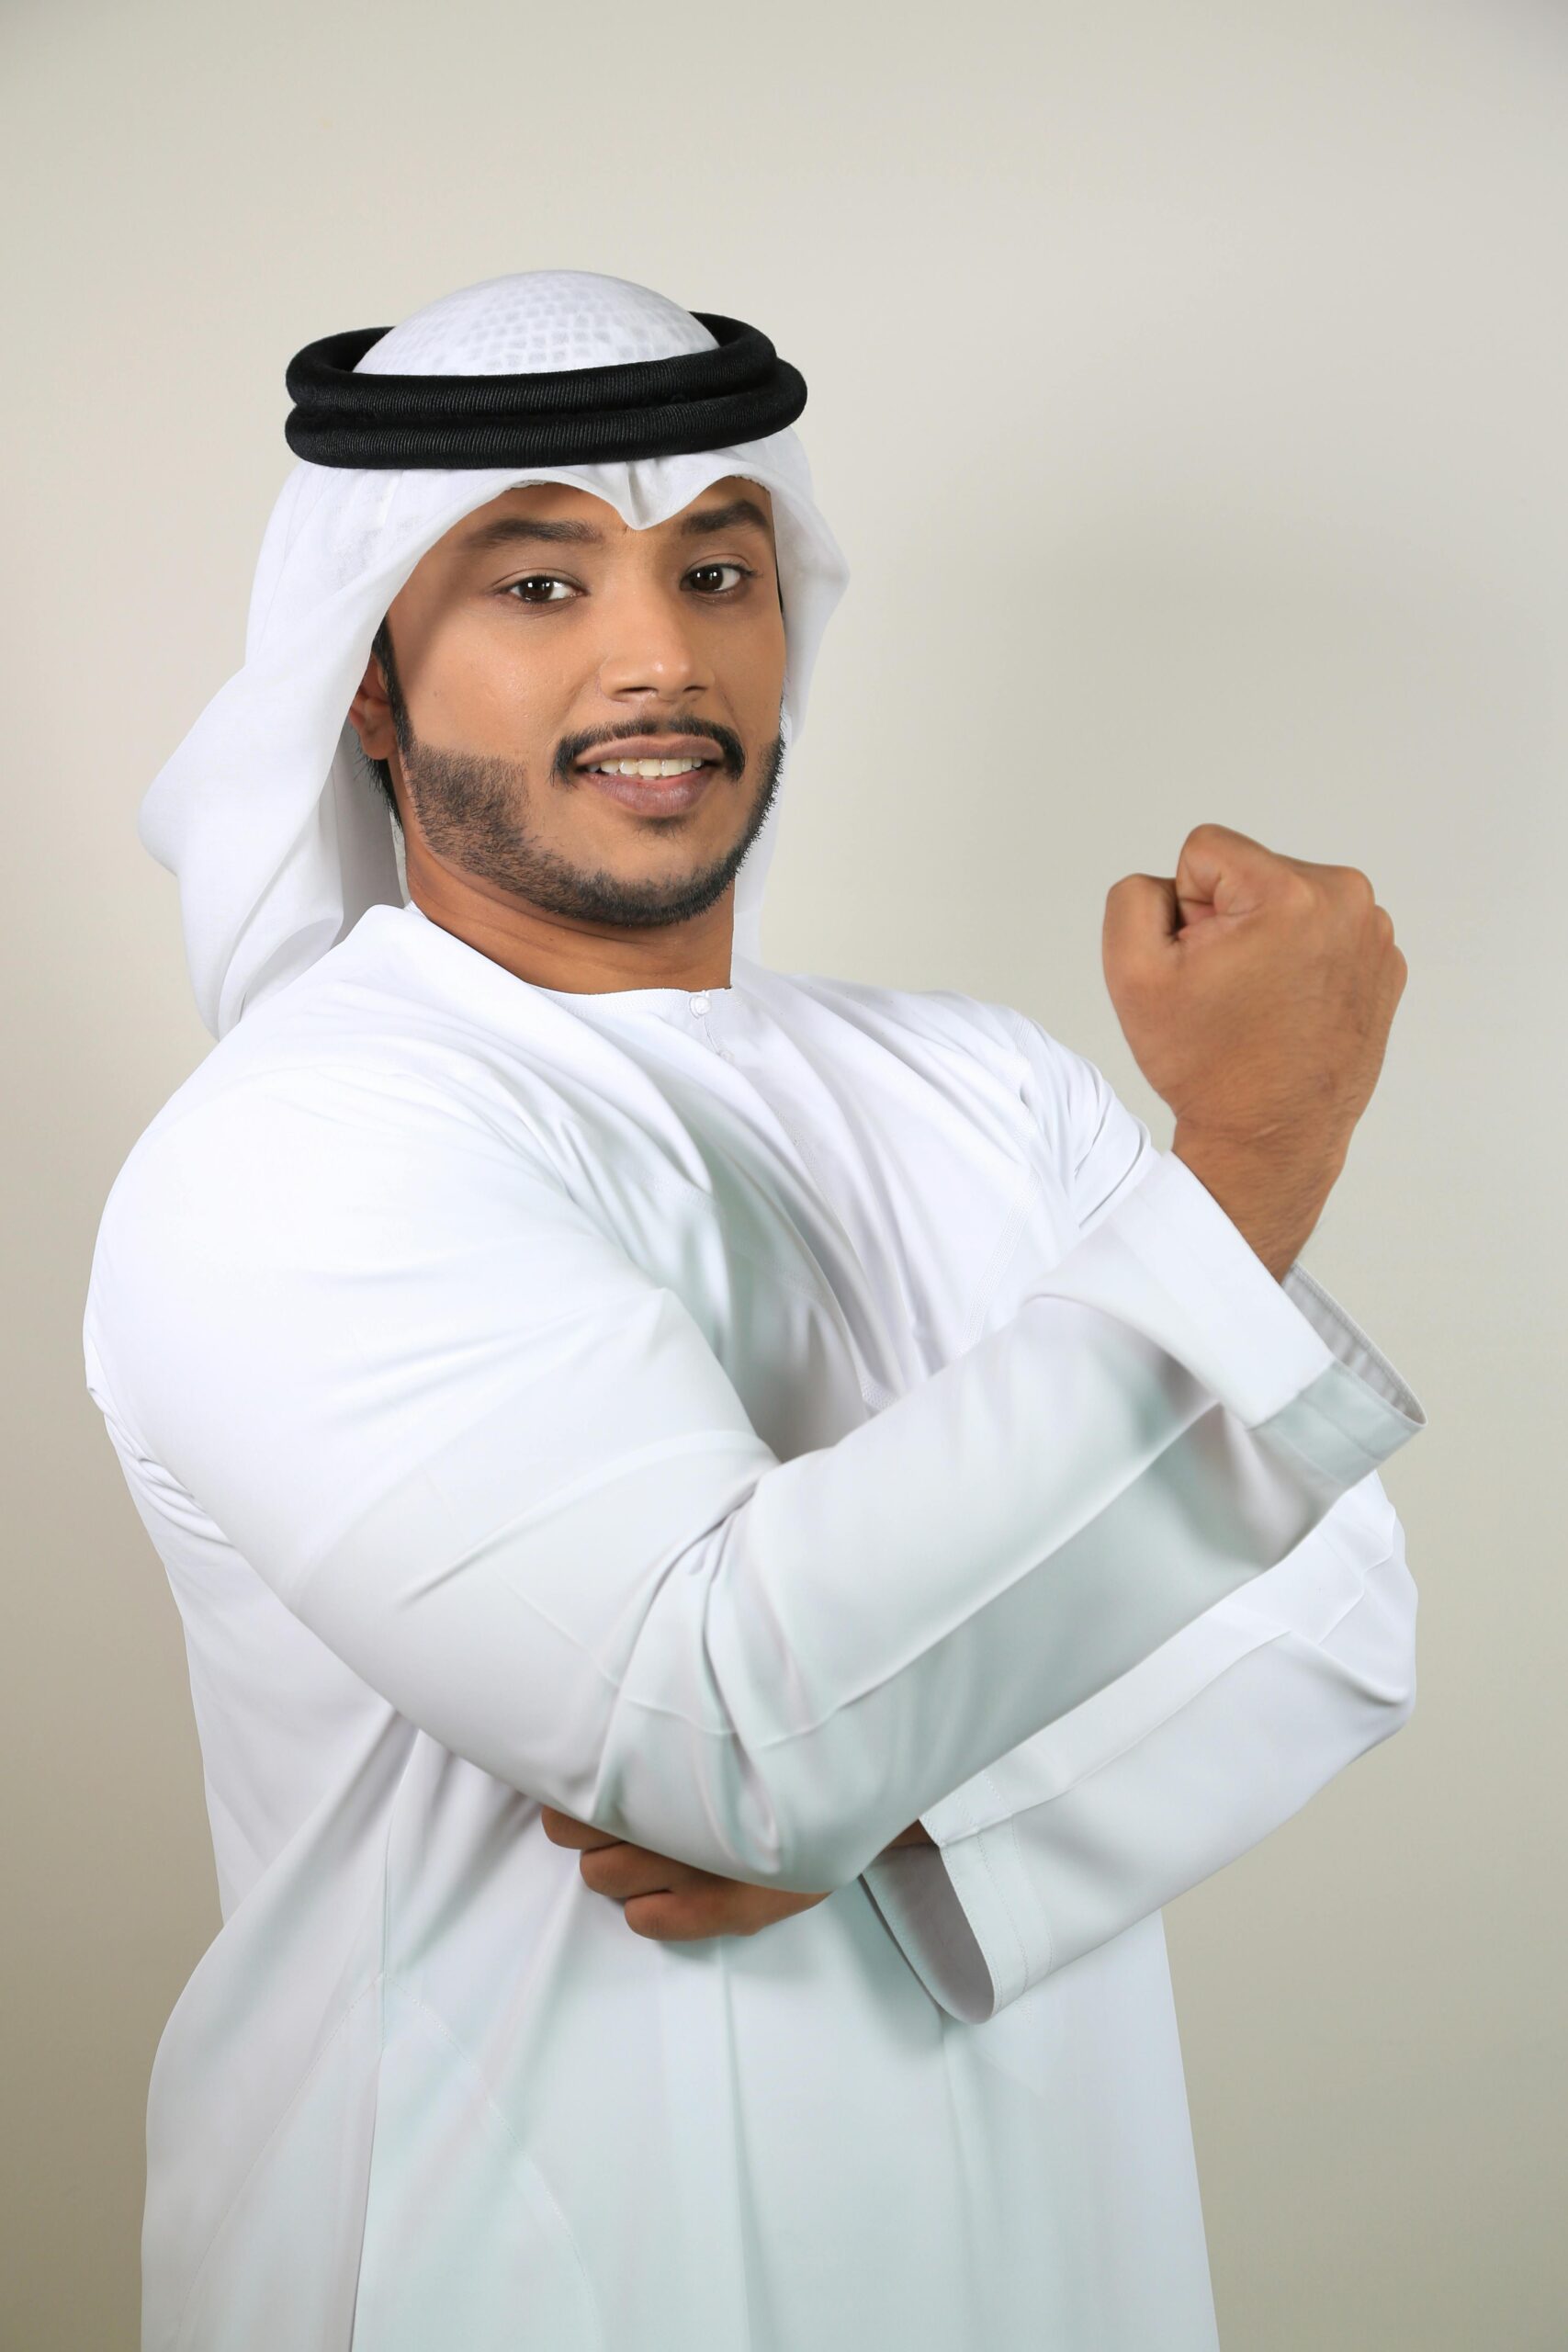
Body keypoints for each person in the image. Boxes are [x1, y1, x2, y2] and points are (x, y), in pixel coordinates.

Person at [83, 268, 1425, 2352]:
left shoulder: (984, 1083)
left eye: (718, 563)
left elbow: (1334, 1612)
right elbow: (718, 1722)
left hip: (1047, 2262)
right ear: (366, 681)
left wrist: (897, 1811)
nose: (657, 652)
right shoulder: (300, 1146)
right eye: (537, 582)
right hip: (505, 2266)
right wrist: (1249, 1152)